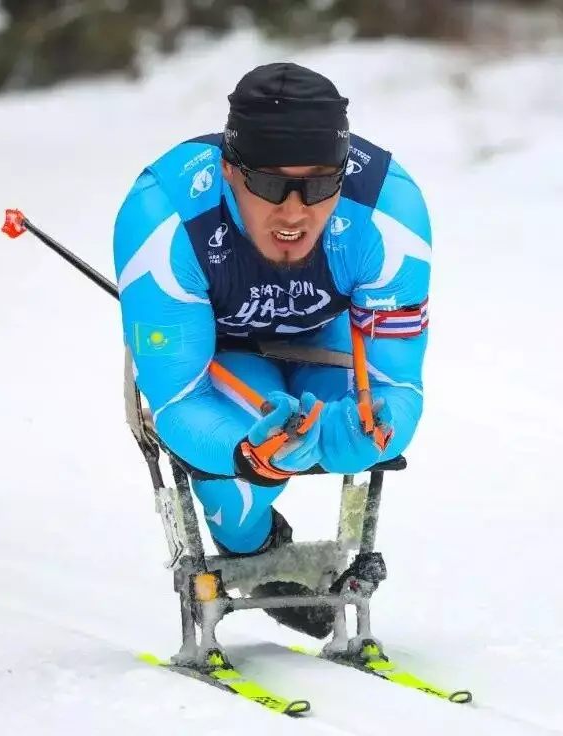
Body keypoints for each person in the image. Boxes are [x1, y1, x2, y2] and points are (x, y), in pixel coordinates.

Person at [112, 62, 432, 638]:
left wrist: (377, 431)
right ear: (229, 170)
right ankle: (257, 548)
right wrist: (245, 455)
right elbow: (177, 402)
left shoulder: (389, 211)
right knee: (238, 483)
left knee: (354, 435)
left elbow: (400, 386)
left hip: (326, 340)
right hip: (215, 349)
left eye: (319, 186)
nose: (293, 212)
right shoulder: (164, 217)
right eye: (268, 184)